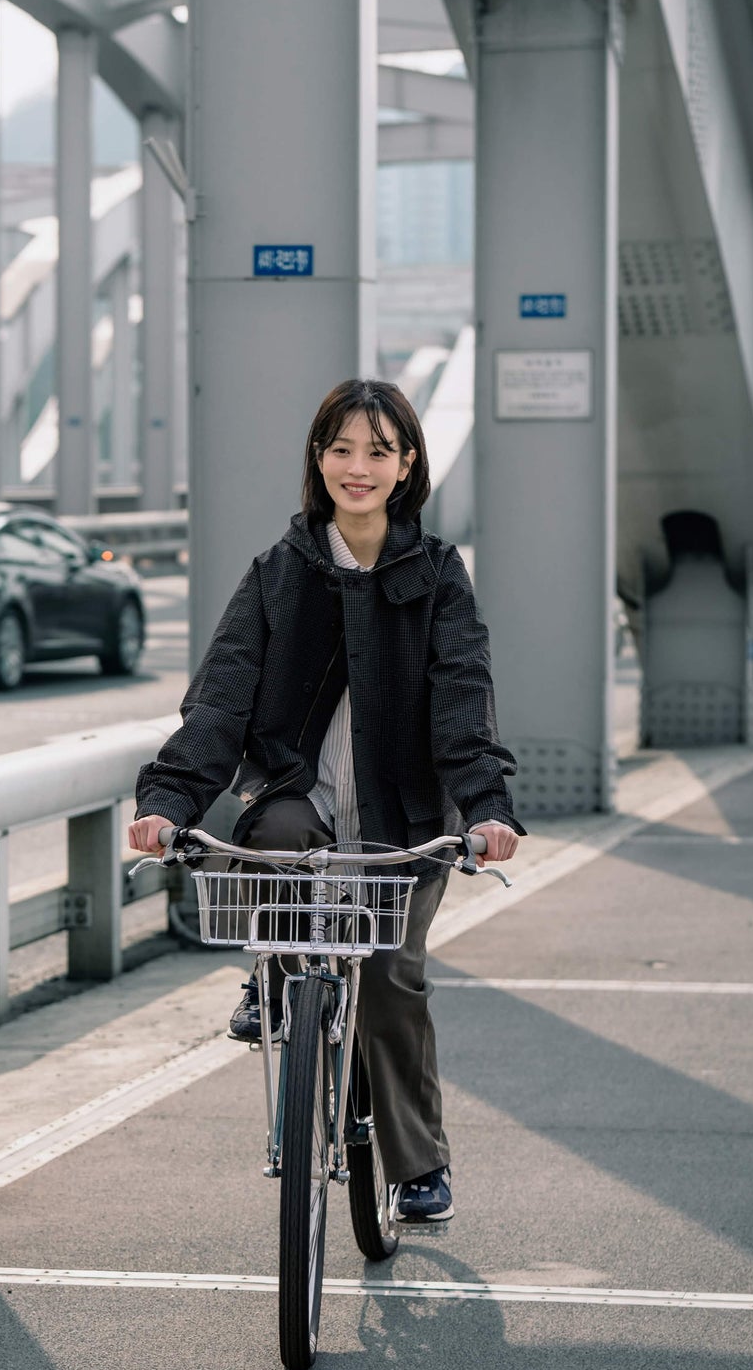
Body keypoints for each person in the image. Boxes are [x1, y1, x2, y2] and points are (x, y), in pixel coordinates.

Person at [128, 378, 523, 1222]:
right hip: (296, 793)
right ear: (319, 458)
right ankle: (275, 981)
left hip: (403, 813)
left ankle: (417, 1165)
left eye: (379, 451)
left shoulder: (437, 574)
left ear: (407, 463)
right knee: (267, 836)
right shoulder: (279, 571)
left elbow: (464, 698)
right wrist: (170, 800)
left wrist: (486, 807)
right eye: (341, 448)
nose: (358, 466)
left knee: (390, 979)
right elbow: (223, 698)